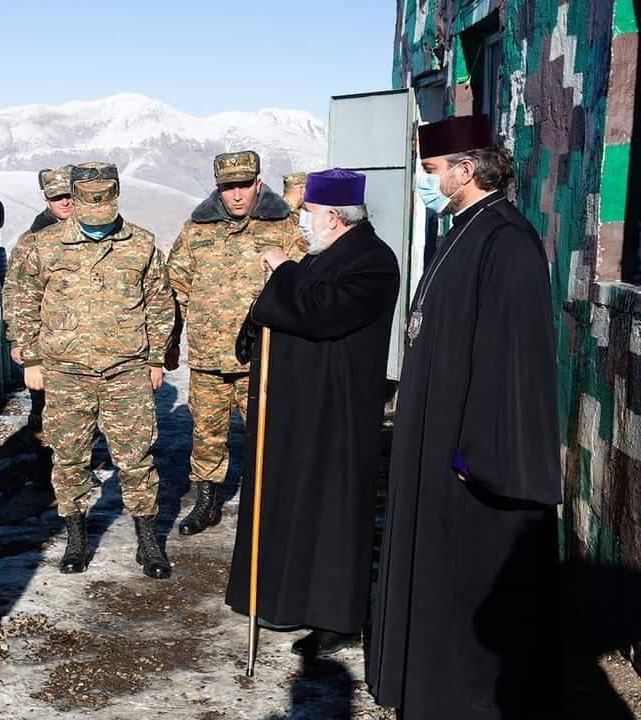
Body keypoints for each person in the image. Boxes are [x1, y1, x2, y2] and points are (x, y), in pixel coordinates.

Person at [367, 114, 563, 719]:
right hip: (435, 428)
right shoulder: (461, 230)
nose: (424, 183)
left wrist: (475, 451)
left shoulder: (506, 239)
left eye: (430, 171)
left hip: (467, 448)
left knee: (464, 572)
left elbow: (511, 358)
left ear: (466, 169)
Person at [225, 168, 399, 657]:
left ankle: (335, 618)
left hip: (338, 412)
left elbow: (322, 311)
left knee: (332, 511)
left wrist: (284, 270)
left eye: (309, 212)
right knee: (296, 503)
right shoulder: (327, 254)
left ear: (334, 217)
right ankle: (288, 600)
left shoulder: (373, 260)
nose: (302, 221)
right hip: (303, 407)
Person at [4, 162, 175, 578]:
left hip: (126, 371)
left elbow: (159, 303)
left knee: (137, 459)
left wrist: (155, 359)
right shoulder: (44, 245)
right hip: (66, 372)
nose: (97, 221)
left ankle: (148, 542)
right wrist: (32, 358)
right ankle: (76, 540)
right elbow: (22, 299)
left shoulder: (141, 243)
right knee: (69, 458)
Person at [166, 150, 305, 537]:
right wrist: (169, 343)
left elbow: (301, 286)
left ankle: (273, 505)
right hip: (208, 357)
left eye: (244, 185)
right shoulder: (195, 230)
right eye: (229, 187)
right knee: (206, 434)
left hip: (262, 357)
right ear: (218, 188)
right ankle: (206, 503)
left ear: (258, 183)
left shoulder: (283, 227)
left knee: (269, 434)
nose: (238, 195)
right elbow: (175, 289)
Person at [6, 166, 73, 476]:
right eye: (58, 197)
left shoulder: (92, 233)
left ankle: (75, 472)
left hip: (85, 342)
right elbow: (14, 291)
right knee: (45, 408)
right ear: (47, 199)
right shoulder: (30, 241)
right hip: (44, 340)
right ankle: (47, 474)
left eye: (70, 195)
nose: (65, 202)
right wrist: (17, 339)